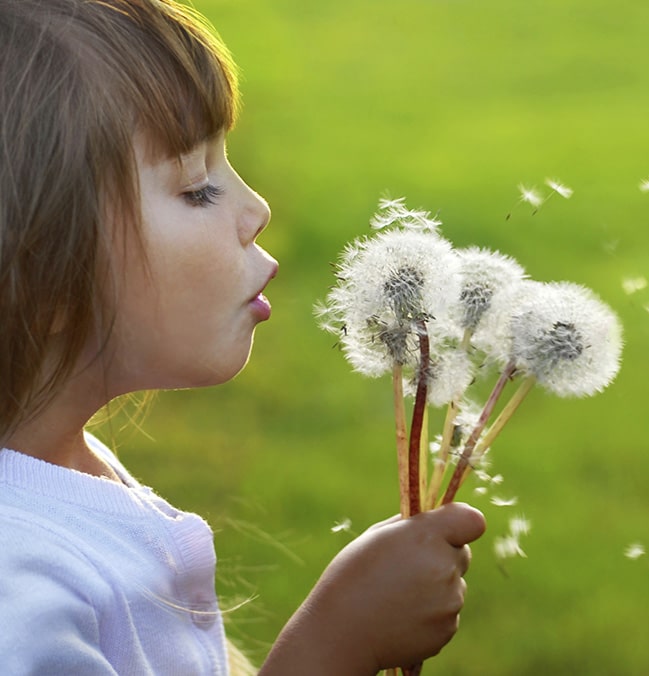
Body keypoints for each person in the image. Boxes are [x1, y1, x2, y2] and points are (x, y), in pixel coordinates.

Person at [0, 0, 486, 674]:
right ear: (42, 275)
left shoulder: (62, 467)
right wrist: (333, 647)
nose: (256, 209)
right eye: (197, 188)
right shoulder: (17, 598)